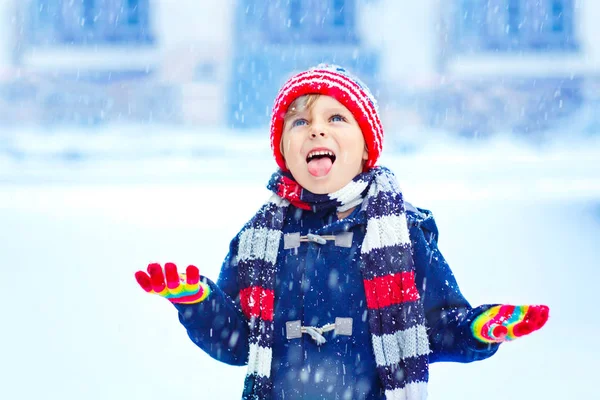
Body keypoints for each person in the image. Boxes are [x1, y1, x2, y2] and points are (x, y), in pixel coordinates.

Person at [134, 64, 549, 400]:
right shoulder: (258, 239)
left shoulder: (400, 234)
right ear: (283, 151)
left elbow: (438, 327)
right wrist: (197, 302)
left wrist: (478, 328)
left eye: (335, 117)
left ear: (367, 148)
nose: (316, 129)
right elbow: (237, 341)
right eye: (299, 121)